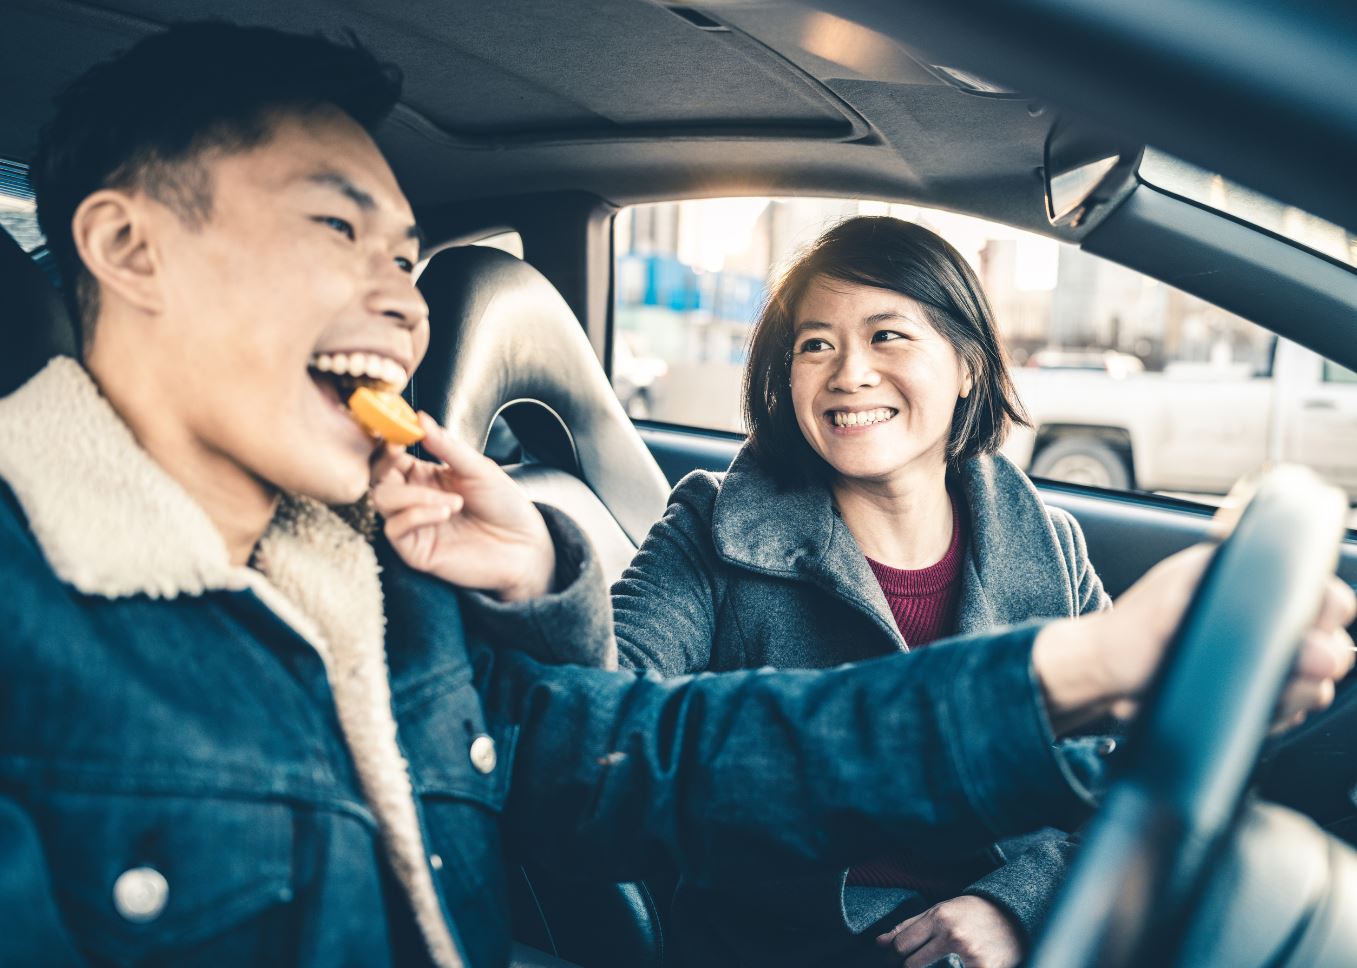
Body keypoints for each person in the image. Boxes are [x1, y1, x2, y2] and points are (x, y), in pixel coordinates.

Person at [0, 22, 1350, 968]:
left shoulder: (385, 591)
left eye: (409, 257)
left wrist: (1081, 668)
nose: (403, 303)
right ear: (128, 246)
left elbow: (657, 762)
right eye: (338, 226)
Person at [608, 215, 1105, 967]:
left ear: (968, 366)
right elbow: (603, 709)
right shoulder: (712, 525)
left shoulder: (1050, 545)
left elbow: (1134, 768)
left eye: (887, 336)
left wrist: (1017, 907)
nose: (849, 374)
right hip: (786, 943)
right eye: (815, 345)